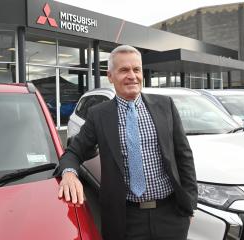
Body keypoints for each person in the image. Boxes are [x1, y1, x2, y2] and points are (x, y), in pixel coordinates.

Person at [57, 45, 197, 240]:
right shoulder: (99, 115)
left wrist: (189, 205)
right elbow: (73, 153)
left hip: (170, 215)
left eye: (136, 69)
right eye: (124, 70)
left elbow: (185, 157)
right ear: (110, 76)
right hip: (125, 220)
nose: (132, 76)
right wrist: (70, 174)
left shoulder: (165, 106)